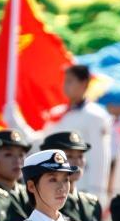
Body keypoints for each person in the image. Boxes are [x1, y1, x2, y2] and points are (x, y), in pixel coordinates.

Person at [41, 65, 113, 199]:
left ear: (84, 84)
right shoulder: (57, 113)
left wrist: (97, 195)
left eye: (70, 81)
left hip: (83, 188)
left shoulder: (95, 115)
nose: (65, 85)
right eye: (65, 81)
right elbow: (41, 144)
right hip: (55, 187)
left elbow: (99, 158)